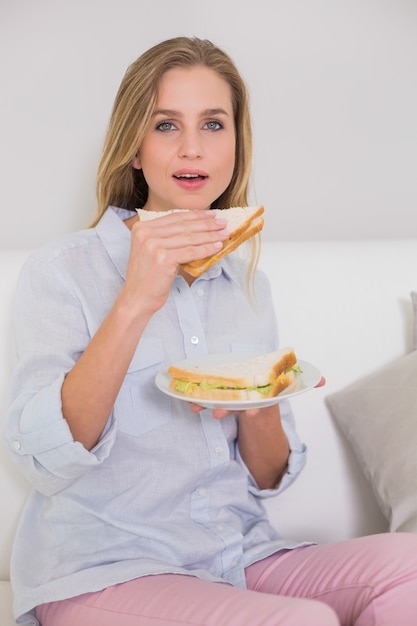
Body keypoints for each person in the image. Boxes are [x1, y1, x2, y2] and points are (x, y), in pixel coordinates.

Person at [4, 36, 417, 626]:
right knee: (305, 620)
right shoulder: (64, 270)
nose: (193, 147)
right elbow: (47, 461)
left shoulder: (248, 284)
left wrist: (258, 403)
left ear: (235, 147)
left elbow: (269, 476)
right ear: (135, 149)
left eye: (214, 124)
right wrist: (135, 302)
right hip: (104, 566)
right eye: (166, 125)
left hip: (239, 553)